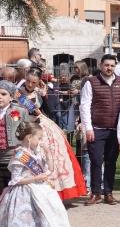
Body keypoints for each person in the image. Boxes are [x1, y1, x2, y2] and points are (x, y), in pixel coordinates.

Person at [0, 121, 78, 227]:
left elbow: (48, 170)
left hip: (41, 190)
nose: (40, 141)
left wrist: (48, 153)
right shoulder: (21, 155)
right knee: (30, 223)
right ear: (29, 138)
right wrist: (36, 178)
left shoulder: (35, 153)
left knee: (49, 220)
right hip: (25, 193)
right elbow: (16, 179)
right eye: (39, 138)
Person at [16, 69, 87, 201]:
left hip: (38, 127)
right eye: (28, 81)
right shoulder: (17, 92)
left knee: (45, 158)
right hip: (21, 126)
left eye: (34, 82)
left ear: (38, 82)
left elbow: (50, 111)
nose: (30, 84)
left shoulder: (41, 92)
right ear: (25, 78)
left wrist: (44, 96)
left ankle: (48, 191)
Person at [80, 54, 120, 204]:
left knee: (111, 162)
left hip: (115, 130)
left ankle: (108, 192)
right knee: (96, 160)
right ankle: (95, 193)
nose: (109, 68)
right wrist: (88, 128)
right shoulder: (91, 83)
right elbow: (84, 106)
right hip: (97, 128)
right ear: (101, 65)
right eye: (107, 65)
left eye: (112, 65)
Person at [0, 81, 27, 216]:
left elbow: (27, 132)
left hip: (15, 159)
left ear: (11, 97)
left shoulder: (20, 111)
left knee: (16, 192)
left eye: (3, 94)